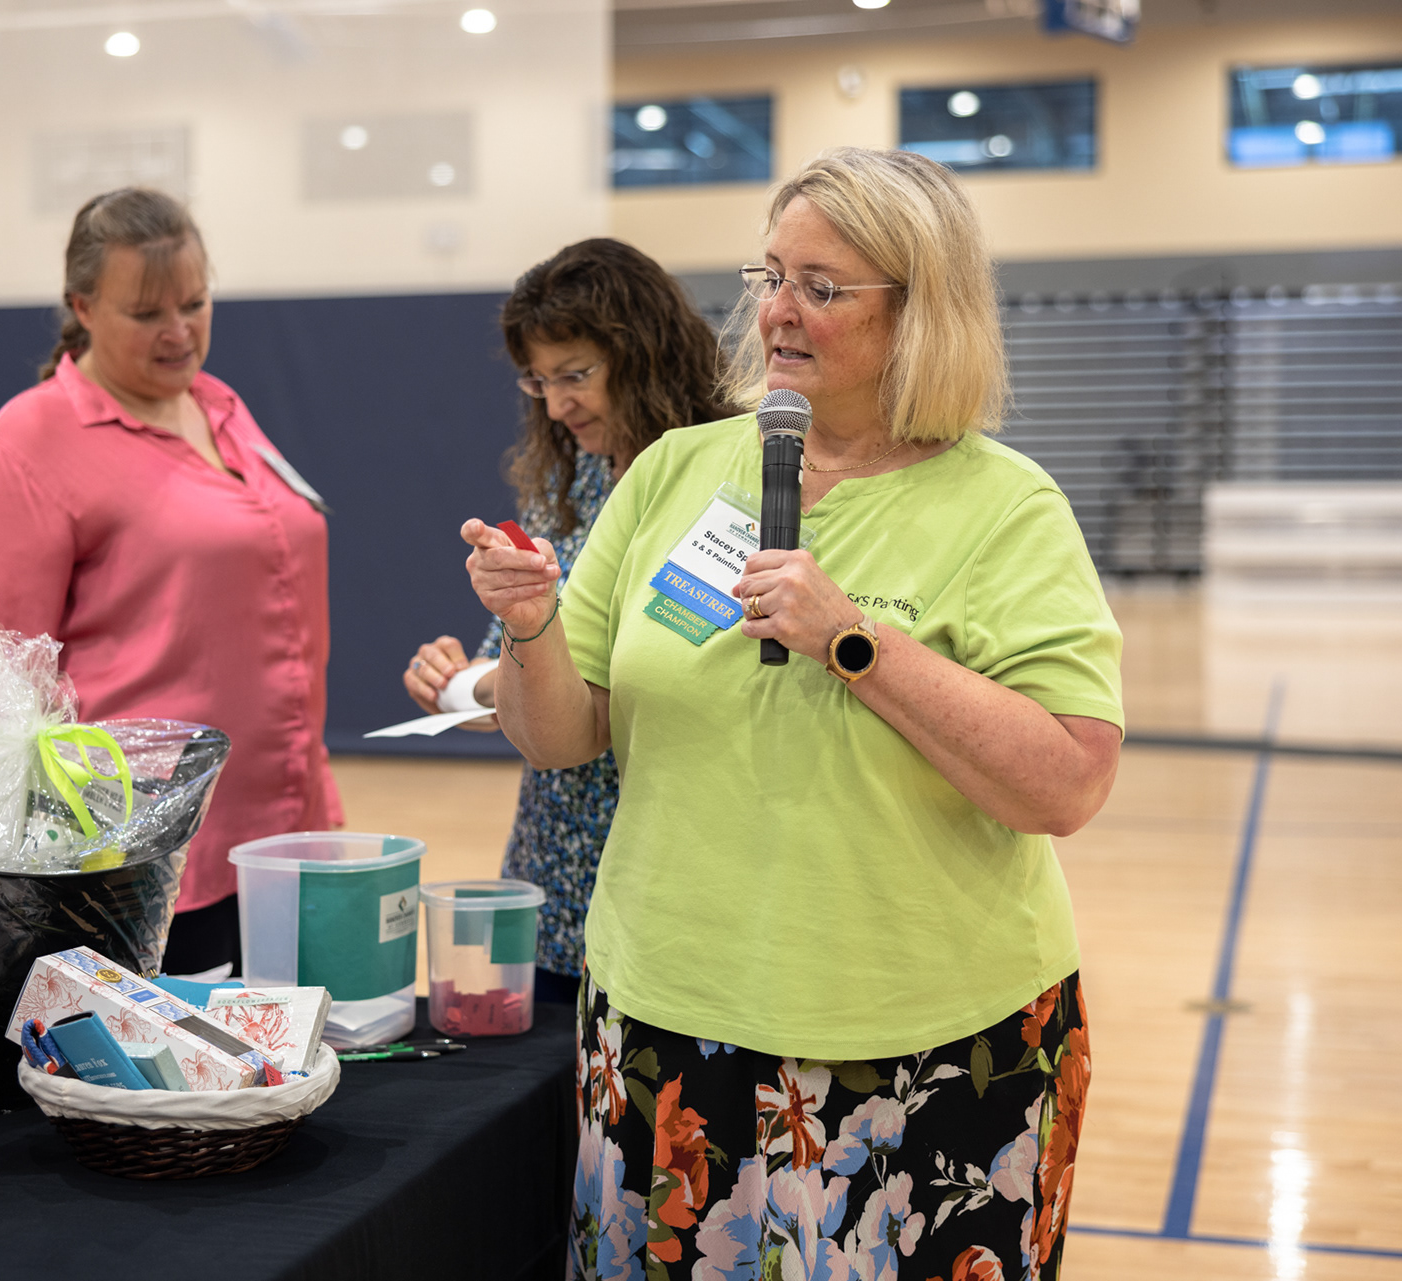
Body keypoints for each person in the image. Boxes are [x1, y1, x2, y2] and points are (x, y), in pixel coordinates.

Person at [459, 148, 1123, 1278]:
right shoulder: (673, 473)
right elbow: (563, 736)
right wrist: (530, 628)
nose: (777, 310)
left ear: (920, 311)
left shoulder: (1006, 507)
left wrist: (853, 641)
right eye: (770, 276)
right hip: (670, 1021)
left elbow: (1067, 782)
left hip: (928, 1047)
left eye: (822, 287)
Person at [0, 187, 340, 975]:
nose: (179, 332)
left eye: (195, 303)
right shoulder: (29, 444)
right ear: (82, 306)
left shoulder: (219, 406)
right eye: (148, 312)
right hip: (138, 860)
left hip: (283, 830)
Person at [401, 239, 732, 1009]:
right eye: (538, 381)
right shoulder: (577, 475)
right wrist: (454, 685)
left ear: (646, 354)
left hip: (670, 867)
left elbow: (631, 680)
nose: (555, 406)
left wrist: (501, 679)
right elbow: (518, 676)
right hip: (552, 868)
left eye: (575, 375)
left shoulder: (728, 480)